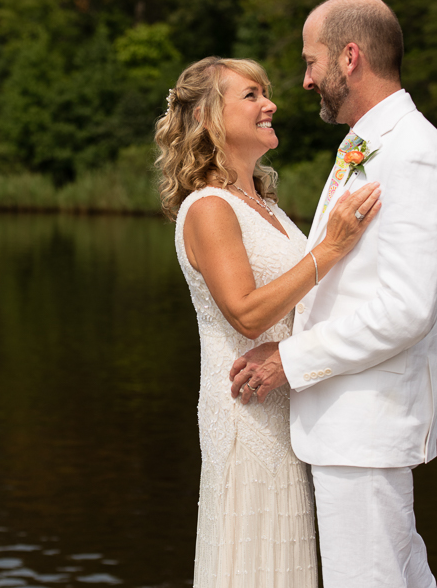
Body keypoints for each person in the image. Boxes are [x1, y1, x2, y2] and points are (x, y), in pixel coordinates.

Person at [229, 0, 437, 588]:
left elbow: (406, 309)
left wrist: (289, 358)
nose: (305, 80)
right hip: (346, 423)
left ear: (350, 57)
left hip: (366, 423)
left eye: (312, 62)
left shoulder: (414, 154)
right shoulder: (371, 143)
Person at [155, 56, 381, 587]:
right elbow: (247, 313)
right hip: (245, 415)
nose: (270, 104)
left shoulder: (268, 208)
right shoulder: (209, 207)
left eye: (267, 93)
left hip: (286, 411)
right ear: (210, 117)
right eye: (252, 95)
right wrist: (330, 248)